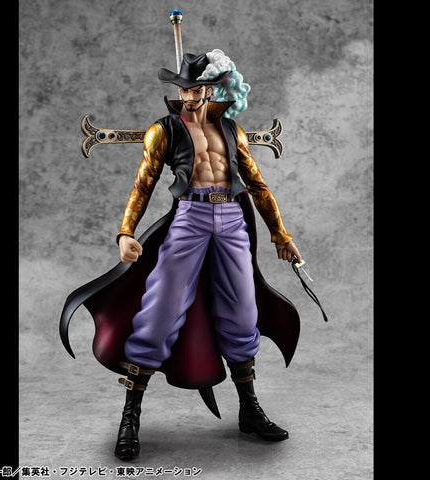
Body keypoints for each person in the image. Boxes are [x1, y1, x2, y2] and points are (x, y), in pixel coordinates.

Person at [113, 51, 302, 461]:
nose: (188, 96)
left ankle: (249, 410)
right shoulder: (164, 130)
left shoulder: (231, 130)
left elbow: (257, 185)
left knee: (243, 312)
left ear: (209, 89)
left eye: (195, 88)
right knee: (160, 311)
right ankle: (130, 416)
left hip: (231, 219)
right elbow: (143, 183)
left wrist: (280, 234)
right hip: (190, 216)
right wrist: (126, 231)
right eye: (182, 89)